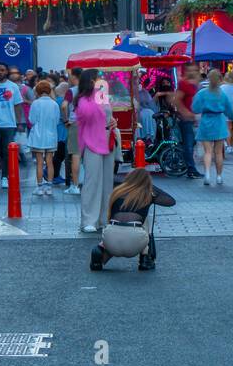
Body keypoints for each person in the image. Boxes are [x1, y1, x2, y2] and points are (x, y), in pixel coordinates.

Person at [91, 168, 176, 272]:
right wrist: (151, 187)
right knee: (144, 220)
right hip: (135, 242)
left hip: (110, 239)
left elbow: (109, 218)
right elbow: (171, 201)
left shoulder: (117, 191)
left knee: (116, 227)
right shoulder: (147, 194)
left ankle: (100, 253)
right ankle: (145, 258)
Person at [75, 69, 118, 234]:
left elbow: (107, 115)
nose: (102, 80)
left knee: (107, 182)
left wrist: (112, 120)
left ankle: (103, 218)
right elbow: (87, 114)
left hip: (107, 141)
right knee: (92, 183)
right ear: (91, 81)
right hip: (91, 143)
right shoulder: (82, 99)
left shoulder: (102, 95)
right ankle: (88, 220)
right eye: (98, 78)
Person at [193, 70, 232, 186]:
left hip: (206, 122)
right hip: (219, 122)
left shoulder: (202, 93)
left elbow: (195, 108)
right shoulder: (222, 94)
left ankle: (207, 175)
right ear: (220, 79)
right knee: (218, 152)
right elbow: (229, 111)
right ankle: (219, 177)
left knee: (208, 152)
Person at [27, 78, 59, 195]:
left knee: (40, 162)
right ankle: (49, 187)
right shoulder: (54, 104)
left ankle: (39, 187)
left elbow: (31, 120)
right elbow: (56, 121)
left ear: (38, 91)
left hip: (38, 136)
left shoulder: (35, 103)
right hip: (51, 136)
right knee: (49, 161)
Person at [174, 63, 203, 179]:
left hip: (192, 118)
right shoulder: (183, 83)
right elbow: (176, 100)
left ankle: (189, 166)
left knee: (191, 144)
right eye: (190, 70)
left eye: (194, 70)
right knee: (189, 144)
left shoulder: (194, 84)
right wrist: (185, 113)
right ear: (185, 71)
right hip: (186, 119)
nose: (192, 72)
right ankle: (191, 169)